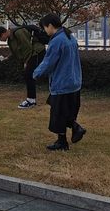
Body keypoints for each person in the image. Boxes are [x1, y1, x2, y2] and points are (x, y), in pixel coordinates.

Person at [32, 14, 86, 151]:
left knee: (58, 114)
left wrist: (36, 73)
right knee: (65, 110)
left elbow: (48, 62)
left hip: (62, 82)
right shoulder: (70, 37)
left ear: (50, 25)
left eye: (44, 27)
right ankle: (75, 128)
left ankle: (63, 142)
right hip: (74, 81)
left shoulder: (57, 41)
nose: (44, 31)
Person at [0, 25, 47, 109]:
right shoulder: (10, 40)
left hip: (37, 52)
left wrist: (26, 62)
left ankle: (31, 100)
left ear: (3, 34)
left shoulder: (18, 33)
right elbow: (16, 51)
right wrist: (7, 57)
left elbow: (27, 48)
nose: (1, 40)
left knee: (29, 75)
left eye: (0, 38)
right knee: (30, 75)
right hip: (32, 54)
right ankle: (31, 99)